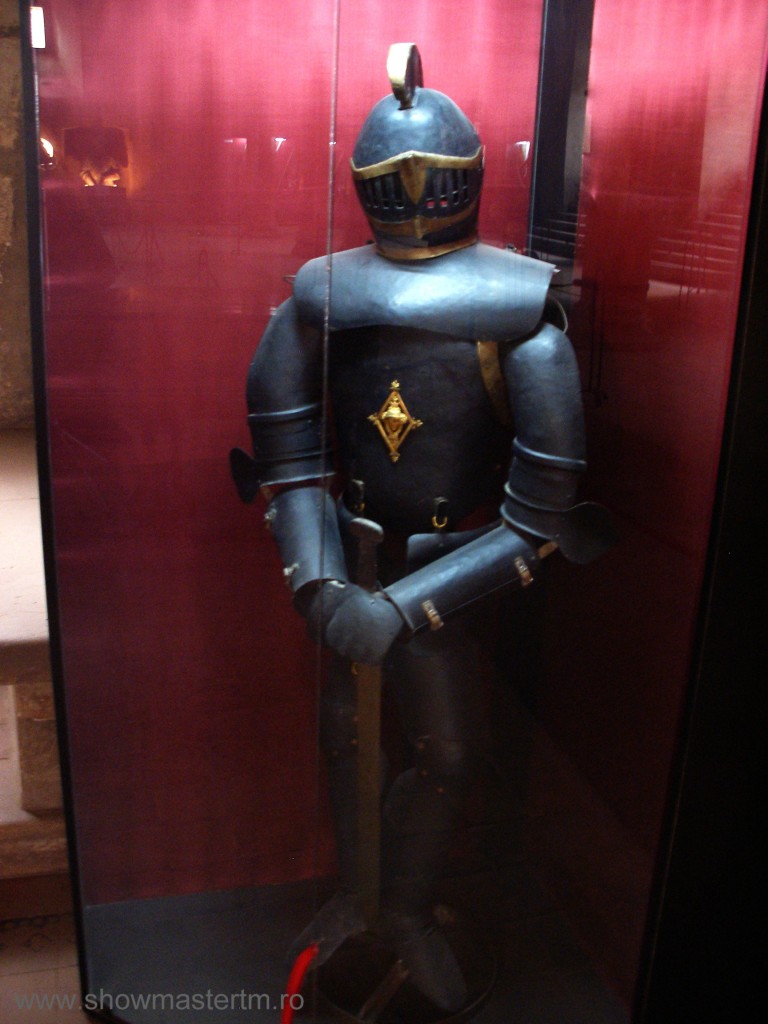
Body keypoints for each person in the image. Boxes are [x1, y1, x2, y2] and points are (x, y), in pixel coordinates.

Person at [231, 43, 612, 1013]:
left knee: (449, 752)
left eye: (424, 179)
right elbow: (288, 462)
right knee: (346, 732)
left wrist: (405, 609)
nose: (409, 196)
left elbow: (542, 517)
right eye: (390, 183)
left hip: (451, 564)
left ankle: (402, 909)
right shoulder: (318, 299)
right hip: (344, 554)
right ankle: (359, 902)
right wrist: (320, 583)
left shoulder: (522, 315)